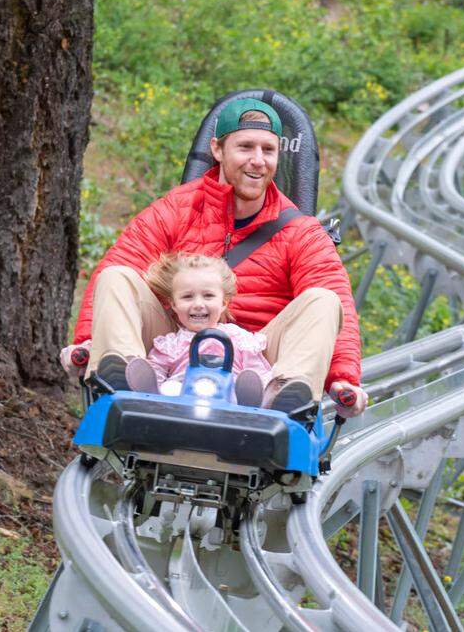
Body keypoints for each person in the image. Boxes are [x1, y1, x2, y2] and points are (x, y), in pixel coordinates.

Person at [65, 96, 367, 417]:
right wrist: (86, 342)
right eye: (245, 147)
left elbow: (338, 304)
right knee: (117, 275)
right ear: (218, 150)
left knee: (324, 299)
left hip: (258, 360)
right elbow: (123, 262)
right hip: (176, 338)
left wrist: (344, 379)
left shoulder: (301, 231)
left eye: (268, 150)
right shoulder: (176, 209)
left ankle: (281, 397)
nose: (258, 160)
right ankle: (125, 378)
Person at [124, 252, 271, 405]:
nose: (198, 304)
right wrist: (153, 384)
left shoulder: (239, 339)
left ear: (223, 303)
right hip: (182, 397)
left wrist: (258, 385)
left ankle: (250, 401)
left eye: (208, 295)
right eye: (187, 297)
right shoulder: (172, 344)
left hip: (228, 397)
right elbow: (156, 369)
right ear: (174, 304)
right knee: (170, 387)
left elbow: (258, 372)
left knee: (246, 385)